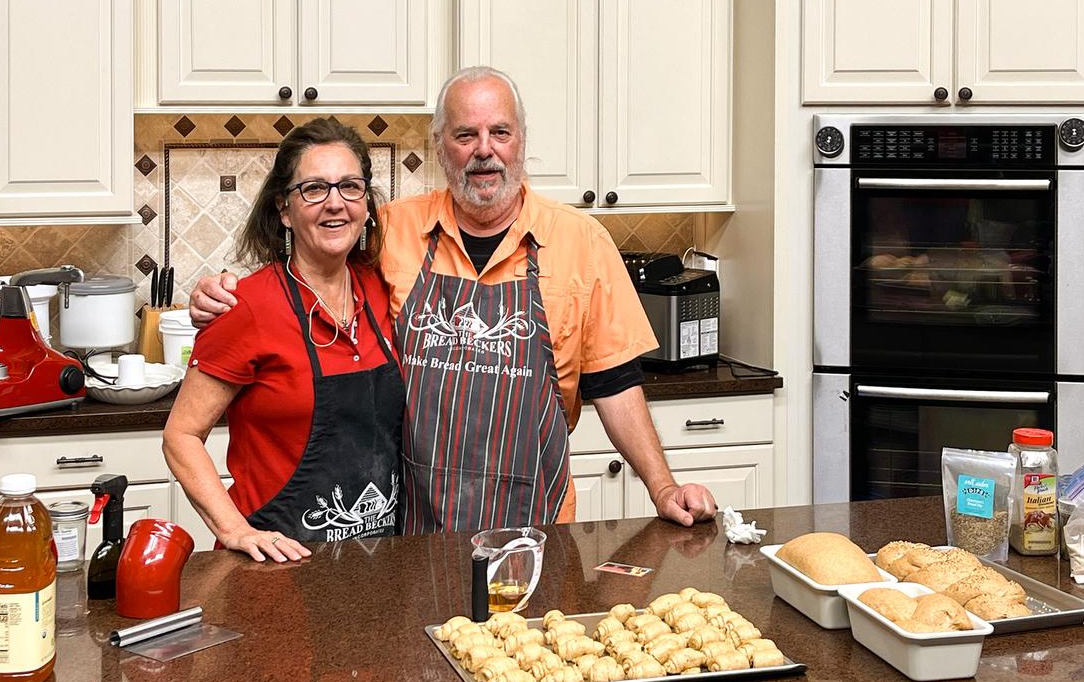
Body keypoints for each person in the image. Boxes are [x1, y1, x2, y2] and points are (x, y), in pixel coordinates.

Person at [191, 66, 718, 533]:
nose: (484, 149)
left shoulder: (582, 242)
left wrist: (662, 487)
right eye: (466, 134)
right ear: (440, 146)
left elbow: (615, 383)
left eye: (500, 132)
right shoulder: (392, 229)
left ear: (522, 142)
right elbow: (314, 261)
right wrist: (223, 292)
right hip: (414, 528)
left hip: (536, 525)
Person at [164, 118, 404, 562]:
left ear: (366, 204)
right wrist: (234, 529)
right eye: (314, 189)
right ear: (284, 209)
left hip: (377, 561)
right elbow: (180, 435)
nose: (335, 204)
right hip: (277, 566)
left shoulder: (384, 289)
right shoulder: (246, 307)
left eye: (350, 187)